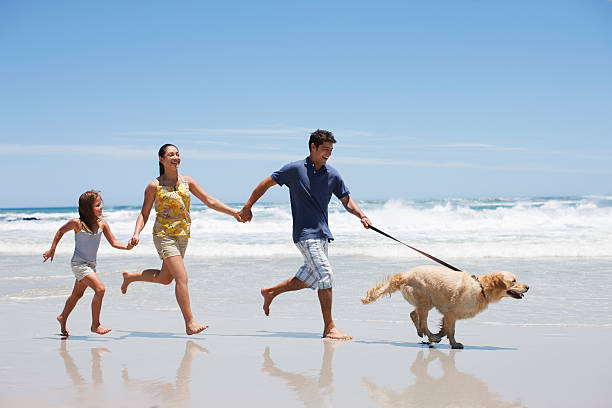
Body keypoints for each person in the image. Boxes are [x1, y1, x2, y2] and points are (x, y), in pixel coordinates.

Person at [239, 129, 371, 340]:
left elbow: (346, 199)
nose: (328, 154)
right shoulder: (295, 169)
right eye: (325, 149)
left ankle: (270, 292)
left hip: (322, 234)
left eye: (331, 150)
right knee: (326, 275)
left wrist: (361, 215)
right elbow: (266, 183)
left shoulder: (332, 174)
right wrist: (248, 206)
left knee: (309, 278)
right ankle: (329, 327)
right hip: (304, 234)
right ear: (313, 147)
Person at [121, 144, 243, 335]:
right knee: (181, 277)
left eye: (177, 154)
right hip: (163, 235)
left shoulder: (187, 181)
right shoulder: (154, 186)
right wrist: (136, 233)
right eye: (171, 155)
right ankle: (190, 322)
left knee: (165, 278)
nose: (175, 157)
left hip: (182, 236)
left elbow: (209, 201)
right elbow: (144, 214)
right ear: (161, 159)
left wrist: (234, 212)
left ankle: (131, 276)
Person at [43, 190, 133, 336]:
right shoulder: (77, 223)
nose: (101, 207)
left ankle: (62, 317)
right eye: (97, 205)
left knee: (77, 295)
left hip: (91, 265)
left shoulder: (102, 224)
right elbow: (60, 231)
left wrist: (127, 246)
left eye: (101, 204)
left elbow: (114, 242)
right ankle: (95, 324)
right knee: (100, 289)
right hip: (79, 264)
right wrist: (52, 249)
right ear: (87, 208)